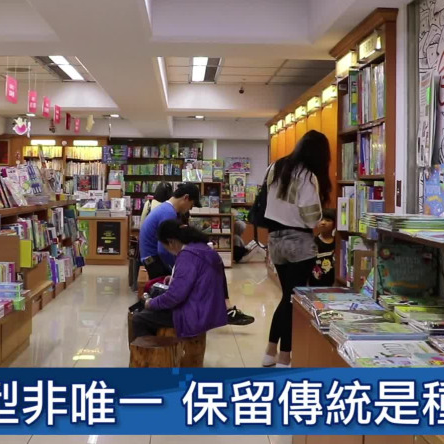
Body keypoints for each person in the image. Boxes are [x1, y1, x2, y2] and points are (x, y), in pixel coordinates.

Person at [262, 130, 332, 368]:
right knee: (292, 300)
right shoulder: (307, 176)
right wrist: (319, 220)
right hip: (299, 242)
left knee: (286, 296)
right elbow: (311, 217)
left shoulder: (276, 167)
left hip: (275, 240)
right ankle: (284, 356)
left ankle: (270, 351)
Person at [138, 183, 255, 326]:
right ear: (186, 198)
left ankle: (223, 309)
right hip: (156, 262)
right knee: (205, 272)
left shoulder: (165, 209)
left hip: (152, 259)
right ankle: (218, 310)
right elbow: (163, 249)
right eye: (192, 204)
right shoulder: (168, 213)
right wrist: (177, 267)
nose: (190, 208)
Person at [131, 220, 228, 339]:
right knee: (152, 309)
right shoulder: (202, 248)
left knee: (139, 318)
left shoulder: (187, 256)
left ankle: (153, 350)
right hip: (209, 309)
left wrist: (151, 303)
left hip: (194, 314)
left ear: (171, 242)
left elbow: (174, 297)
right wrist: (174, 278)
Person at [309, 209, 337, 287]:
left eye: (328, 220)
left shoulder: (338, 243)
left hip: (333, 285)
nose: (323, 222)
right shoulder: (312, 242)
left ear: (334, 224)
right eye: (321, 220)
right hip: (315, 285)